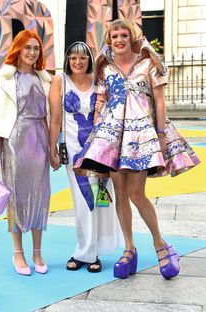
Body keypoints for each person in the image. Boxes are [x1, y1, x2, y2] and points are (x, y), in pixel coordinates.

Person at [74, 19, 200, 279]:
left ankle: (160, 245)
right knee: (120, 193)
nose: (119, 39)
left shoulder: (148, 63)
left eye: (123, 34)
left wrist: (162, 135)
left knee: (135, 193)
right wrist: (97, 133)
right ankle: (129, 249)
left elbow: (160, 102)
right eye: (114, 35)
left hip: (142, 134)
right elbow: (101, 100)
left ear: (131, 37)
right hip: (112, 137)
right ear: (109, 39)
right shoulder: (104, 67)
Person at [0, 30, 51, 276]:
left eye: (36, 48)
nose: (32, 52)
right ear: (18, 49)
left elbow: (53, 117)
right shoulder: (1, 77)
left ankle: (38, 252)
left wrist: (53, 149)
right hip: (13, 142)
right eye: (27, 47)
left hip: (39, 141)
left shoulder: (45, 79)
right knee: (16, 198)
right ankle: (18, 254)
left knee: (40, 197)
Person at [49, 41, 122, 273]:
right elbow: (55, 119)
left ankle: (93, 252)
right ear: (67, 60)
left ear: (89, 59)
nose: (78, 62)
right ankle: (85, 249)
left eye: (82, 58)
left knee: (100, 199)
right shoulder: (60, 81)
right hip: (73, 151)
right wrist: (52, 148)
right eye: (73, 58)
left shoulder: (98, 81)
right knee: (82, 200)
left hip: (99, 149)